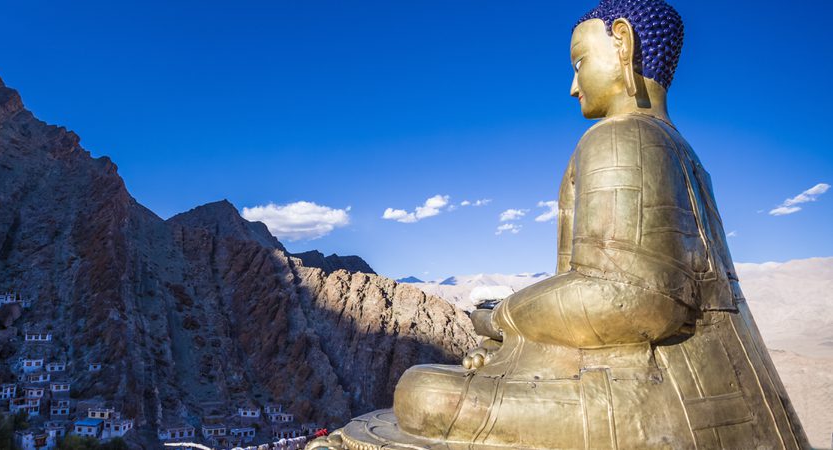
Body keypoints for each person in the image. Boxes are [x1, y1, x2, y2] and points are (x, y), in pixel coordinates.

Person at [311, 1, 811, 448]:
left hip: (649, 396)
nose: (572, 86)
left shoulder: (619, 139)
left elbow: (633, 299)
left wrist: (501, 315)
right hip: (726, 390)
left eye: (579, 63)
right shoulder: (686, 154)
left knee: (422, 393)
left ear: (623, 43)